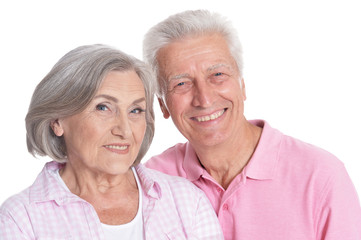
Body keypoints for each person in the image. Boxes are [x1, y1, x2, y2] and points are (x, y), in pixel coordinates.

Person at [143, 10, 361, 240]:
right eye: (181, 83)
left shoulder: (321, 176)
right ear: (163, 105)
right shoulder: (150, 183)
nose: (204, 99)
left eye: (217, 74)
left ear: (242, 85)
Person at [0, 44, 224, 239]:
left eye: (135, 110)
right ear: (57, 120)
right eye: (103, 107)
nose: (124, 130)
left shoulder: (187, 200)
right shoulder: (21, 218)